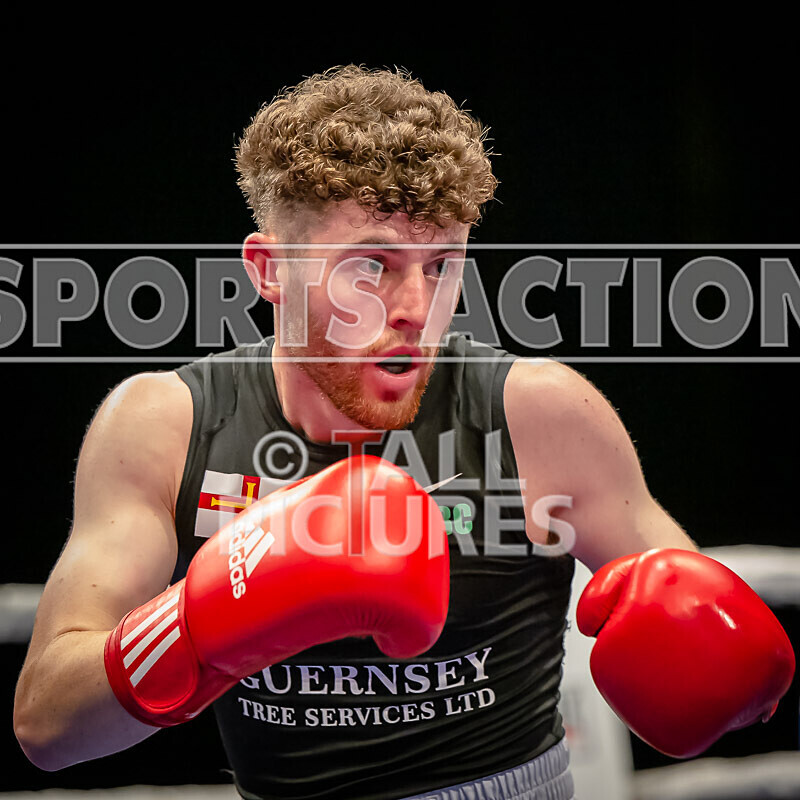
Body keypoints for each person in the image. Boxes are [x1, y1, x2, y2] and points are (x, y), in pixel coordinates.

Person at [13, 65, 794, 800]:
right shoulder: (164, 426)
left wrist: (715, 670)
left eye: (442, 264)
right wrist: (200, 622)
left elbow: (702, 637)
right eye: (372, 265)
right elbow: (46, 725)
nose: (416, 304)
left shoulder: (541, 415)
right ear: (268, 270)